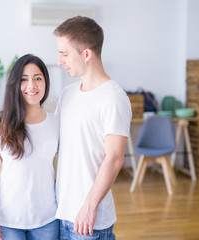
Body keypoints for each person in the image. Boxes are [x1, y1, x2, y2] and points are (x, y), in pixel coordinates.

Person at [53, 16, 132, 239]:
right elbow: (55, 141)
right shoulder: (68, 94)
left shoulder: (114, 98)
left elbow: (115, 158)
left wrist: (89, 207)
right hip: (60, 213)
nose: (60, 61)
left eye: (65, 53)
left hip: (89, 222)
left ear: (86, 54)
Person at [0, 54, 59, 240]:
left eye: (37, 78)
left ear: (46, 82)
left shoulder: (56, 123)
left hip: (47, 220)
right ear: (15, 85)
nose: (31, 86)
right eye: (24, 80)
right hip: (8, 221)